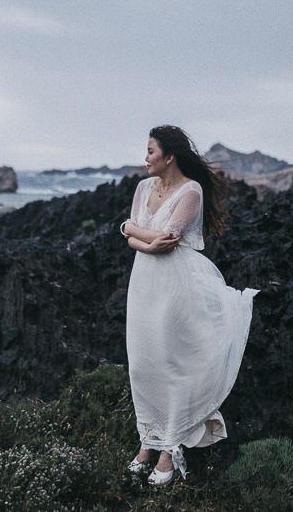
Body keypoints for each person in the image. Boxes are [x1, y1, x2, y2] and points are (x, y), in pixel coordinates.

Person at [120, 125, 258, 486]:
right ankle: (147, 441)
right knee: (141, 364)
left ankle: (169, 449)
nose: (145, 157)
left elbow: (168, 238)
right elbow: (135, 233)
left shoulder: (191, 191)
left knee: (172, 363)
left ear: (169, 156)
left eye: (151, 151)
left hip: (175, 285)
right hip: (143, 284)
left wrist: (135, 233)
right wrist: (138, 238)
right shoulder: (143, 187)